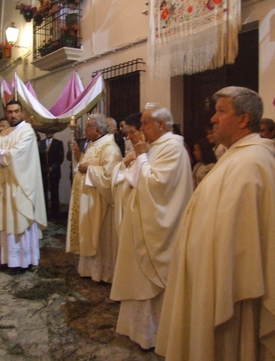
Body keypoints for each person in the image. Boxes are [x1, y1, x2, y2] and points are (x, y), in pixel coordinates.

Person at [156, 87, 275, 361]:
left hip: (227, 290)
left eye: (221, 111)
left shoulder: (249, 162)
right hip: (209, 275)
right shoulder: (237, 156)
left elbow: (240, 243)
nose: (214, 119)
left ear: (243, 120)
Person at [110, 106, 193, 349]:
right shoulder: (155, 147)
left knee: (153, 281)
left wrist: (142, 156)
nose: (141, 129)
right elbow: (134, 179)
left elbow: (157, 186)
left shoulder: (173, 148)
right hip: (141, 225)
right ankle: (140, 331)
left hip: (157, 229)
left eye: (145, 124)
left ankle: (156, 334)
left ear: (161, 125)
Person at [0, 100, 47, 275]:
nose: (13, 115)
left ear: (22, 112)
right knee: (8, 220)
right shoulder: (5, 132)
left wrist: (1, 155)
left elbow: (16, 155)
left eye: (16, 111)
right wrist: (1, 155)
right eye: (9, 112)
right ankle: (9, 259)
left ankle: (24, 261)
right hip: (6, 184)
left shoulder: (27, 131)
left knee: (20, 219)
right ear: (6, 113)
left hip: (21, 185)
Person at [66, 113, 122, 283]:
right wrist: (79, 156)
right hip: (88, 200)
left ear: (96, 129)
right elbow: (85, 165)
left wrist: (88, 169)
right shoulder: (92, 144)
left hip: (100, 203)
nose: (85, 129)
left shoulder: (110, 148)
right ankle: (89, 270)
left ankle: (103, 273)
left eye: (88, 126)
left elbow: (109, 176)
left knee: (100, 237)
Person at [39, 133, 64, 218]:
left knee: (54, 192)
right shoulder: (41, 143)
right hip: (43, 172)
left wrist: (52, 167)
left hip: (54, 172)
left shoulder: (58, 143)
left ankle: (55, 213)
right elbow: (38, 157)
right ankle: (44, 212)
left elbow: (60, 157)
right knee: (44, 192)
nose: (48, 134)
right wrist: (44, 168)